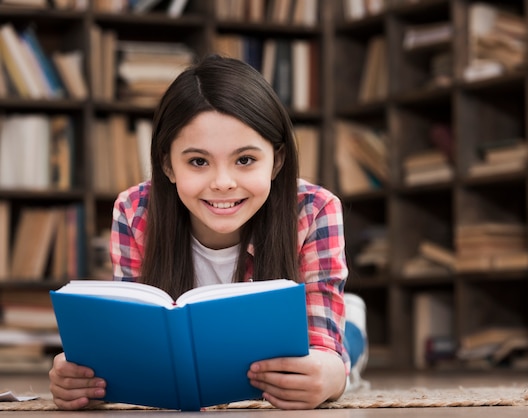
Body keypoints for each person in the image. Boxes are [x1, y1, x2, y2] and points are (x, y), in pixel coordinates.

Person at [49, 54, 366, 410]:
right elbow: (130, 339)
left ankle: (352, 321)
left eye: (245, 160)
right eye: (198, 162)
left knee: (343, 355)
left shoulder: (314, 209)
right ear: (168, 164)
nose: (222, 183)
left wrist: (331, 373)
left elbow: (323, 349)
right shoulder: (135, 211)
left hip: (298, 345)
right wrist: (81, 377)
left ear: (276, 161)